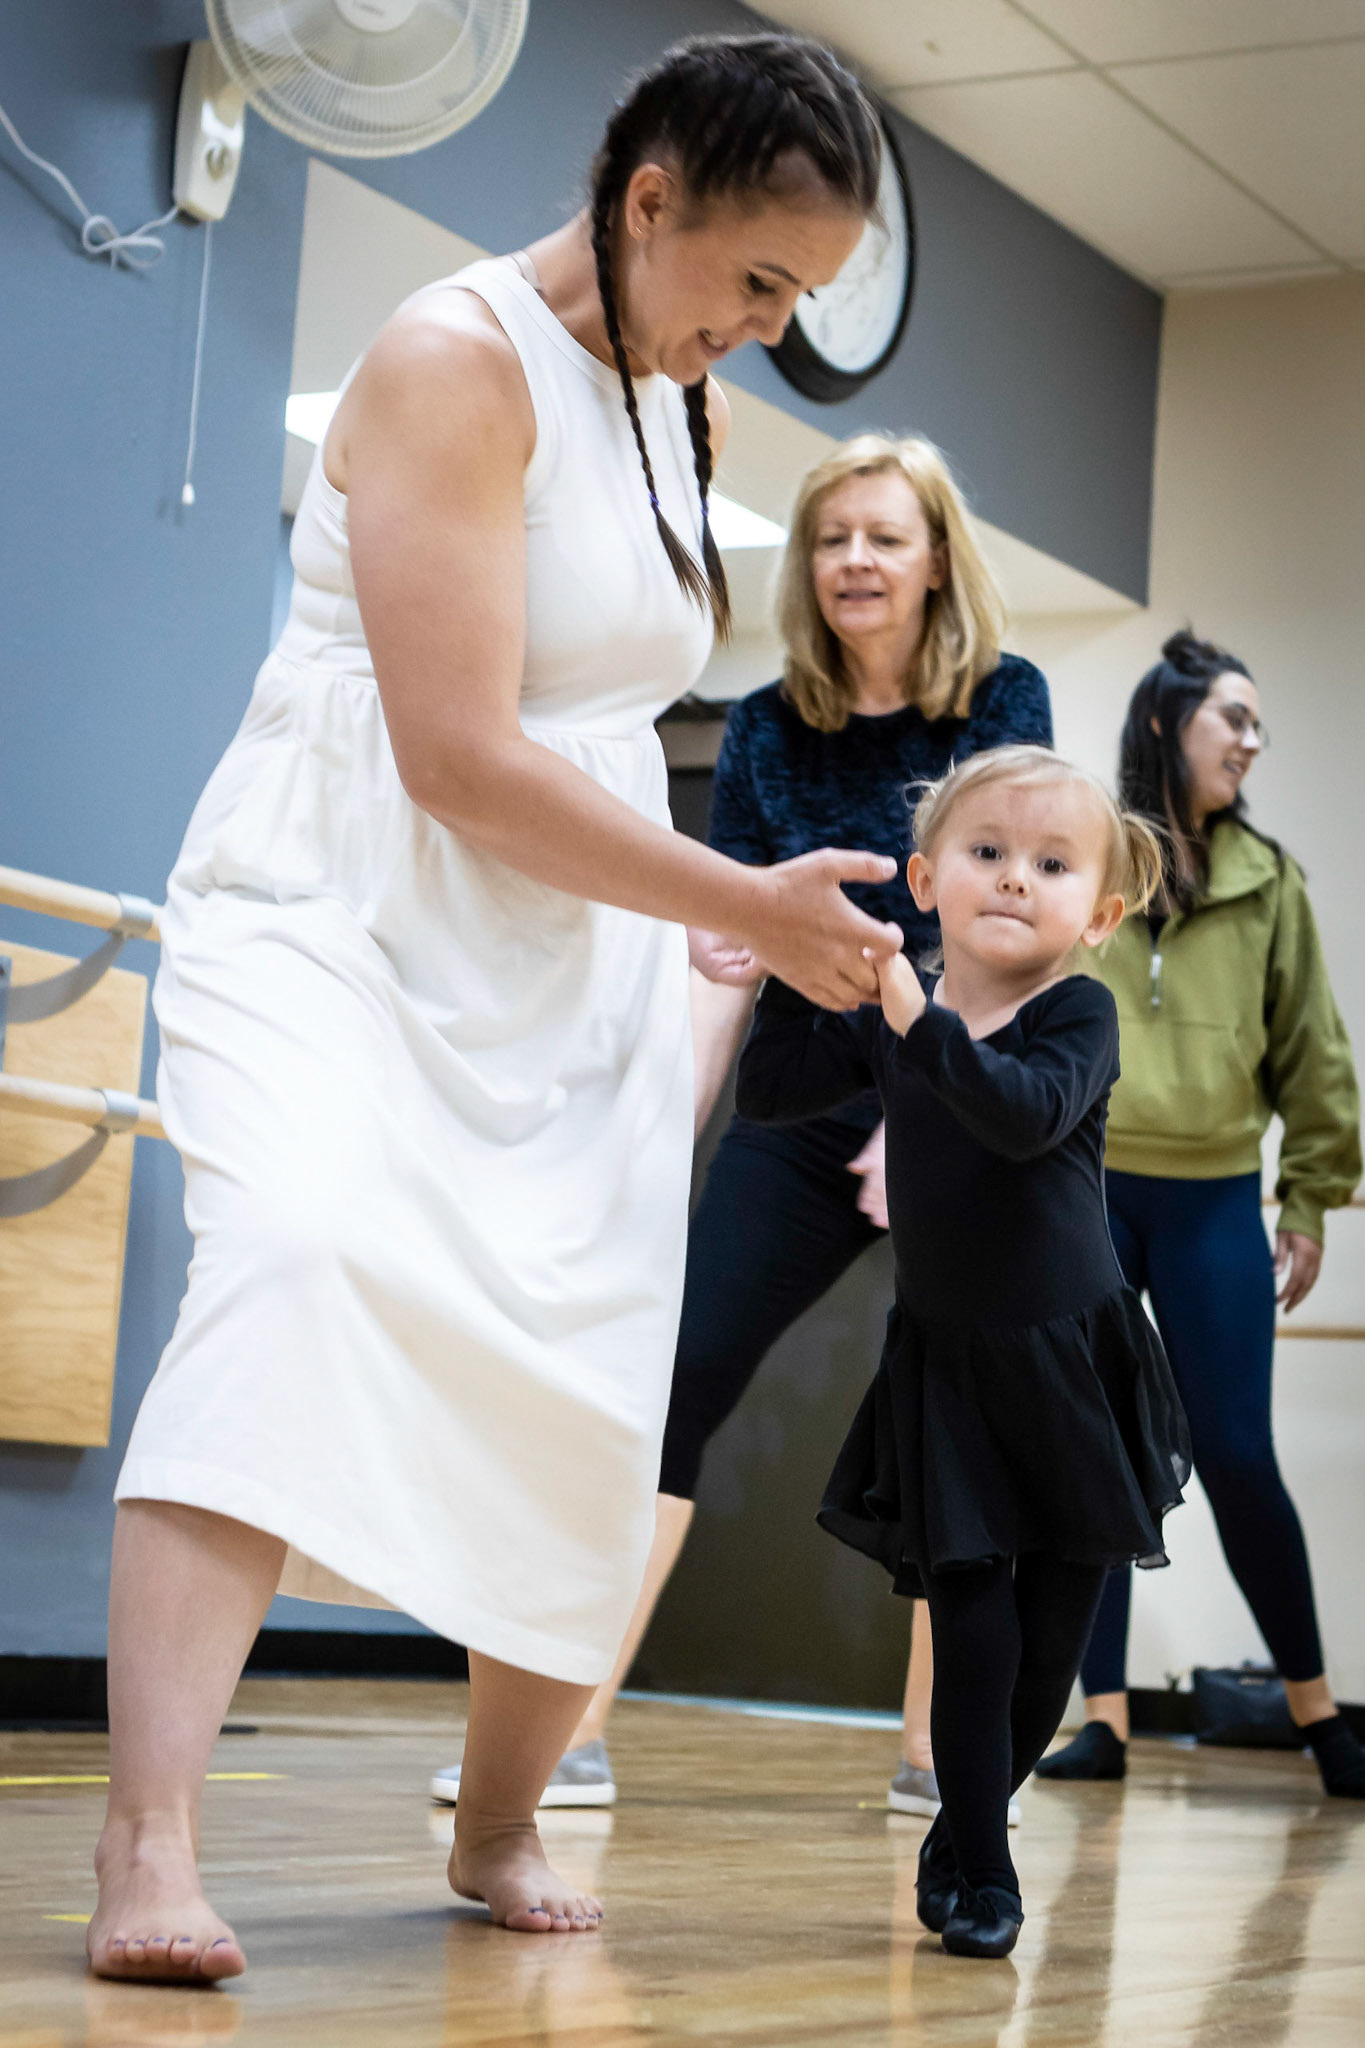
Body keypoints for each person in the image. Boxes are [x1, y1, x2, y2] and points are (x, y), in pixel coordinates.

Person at [85, 33, 906, 1984]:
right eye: (757, 280)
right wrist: (741, 902)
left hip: (577, 932)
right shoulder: (454, 359)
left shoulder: (678, 404)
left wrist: (699, 938)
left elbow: (607, 699)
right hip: (355, 884)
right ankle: (147, 1842)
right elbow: (454, 751)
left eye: (797, 298)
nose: (765, 331)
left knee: (592, 1370)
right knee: (286, 1260)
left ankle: (506, 1812)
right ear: (645, 202)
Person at [430, 433, 1053, 1816]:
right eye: (832, 539)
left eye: (883, 537)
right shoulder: (768, 728)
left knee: (957, 1404)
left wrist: (939, 1101)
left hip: (958, 1090)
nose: (853, 564)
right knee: (677, 1374)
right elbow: (735, 957)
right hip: (803, 1098)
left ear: (935, 555)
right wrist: (662, 1140)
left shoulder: (1006, 699)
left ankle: (941, 1761)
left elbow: (1015, 925)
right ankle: (563, 1733)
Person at [735, 744, 1191, 1958]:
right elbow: (772, 1088)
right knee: (974, 1625)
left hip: (1072, 1363)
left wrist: (908, 1014)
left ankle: (967, 1828)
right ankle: (984, 1863)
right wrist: (787, 968)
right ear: (927, 878)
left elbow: (1018, 1111)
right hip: (948, 1364)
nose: (1012, 879)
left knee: (1050, 1637)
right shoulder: (902, 1008)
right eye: (986, 853)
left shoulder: (1076, 1015)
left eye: (1049, 864)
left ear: (1095, 911)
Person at [1036, 631, 1365, 1798]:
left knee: (1236, 1453)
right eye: (1235, 717)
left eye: (1259, 725)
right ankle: (1106, 1718)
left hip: (1219, 1199)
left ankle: (1322, 1716)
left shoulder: (1270, 879)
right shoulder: (1086, 852)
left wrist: (1316, 1194)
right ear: (1173, 723)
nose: (1251, 741)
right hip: (1088, 1191)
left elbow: (1313, 1051)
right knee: (1096, 1459)